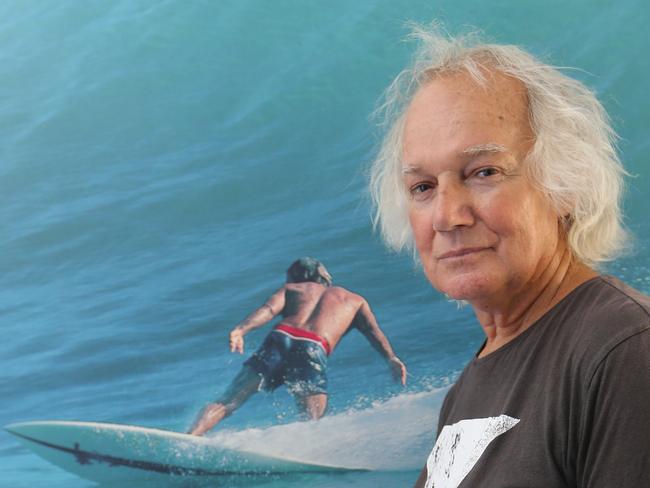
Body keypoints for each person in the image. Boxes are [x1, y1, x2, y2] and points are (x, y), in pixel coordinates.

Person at [369, 24, 650, 488]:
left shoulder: (625, 352)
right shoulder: (472, 385)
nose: (447, 215)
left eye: (483, 172)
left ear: (566, 185)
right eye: (422, 186)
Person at [188, 257, 407, 436]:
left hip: (280, 338)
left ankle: (191, 437)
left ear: (297, 276)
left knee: (228, 401)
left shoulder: (292, 288)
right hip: (313, 348)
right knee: (312, 419)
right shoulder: (355, 300)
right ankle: (308, 451)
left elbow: (269, 309)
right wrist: (391, 358)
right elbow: (373, 332)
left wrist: (241, 329)